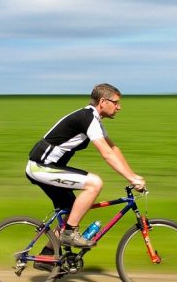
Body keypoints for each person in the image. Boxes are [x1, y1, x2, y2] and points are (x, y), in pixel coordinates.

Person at [26, 83, 146, 248]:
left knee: (71, 212)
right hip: (40, 167)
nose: (119, 107)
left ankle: (46, 257)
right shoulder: (88, 118)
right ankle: (69, 233)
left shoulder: (93, 119)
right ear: (103, 102)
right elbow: (107, 154)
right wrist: (130, 178)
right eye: (116, 102)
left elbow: (113, 149)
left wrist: (133, 175)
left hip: (47, 167)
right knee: (94, 183)